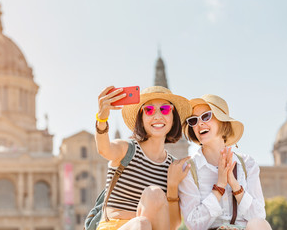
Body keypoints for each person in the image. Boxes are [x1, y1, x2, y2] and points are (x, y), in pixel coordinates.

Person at [95, 85, 191, 230]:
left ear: (173, 118)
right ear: (141, 117)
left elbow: (173, 225)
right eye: (149, 110)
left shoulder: (172, 166)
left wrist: (172, 186)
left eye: (165, 109)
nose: (158, 116)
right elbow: (104, 149)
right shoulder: (127, 149)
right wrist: (101, 120)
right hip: (114, 226)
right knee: (141, 222)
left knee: (155, 195)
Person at [178, 94, 272, 230]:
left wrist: (235, 185)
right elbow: (194, 224)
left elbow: (259, 216)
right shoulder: (189, 169)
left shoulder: (247, 164)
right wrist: (220, 186)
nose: (200, 123)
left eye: (206, 116)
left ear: (223, 121)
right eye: (193, 120)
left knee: (258, 224)